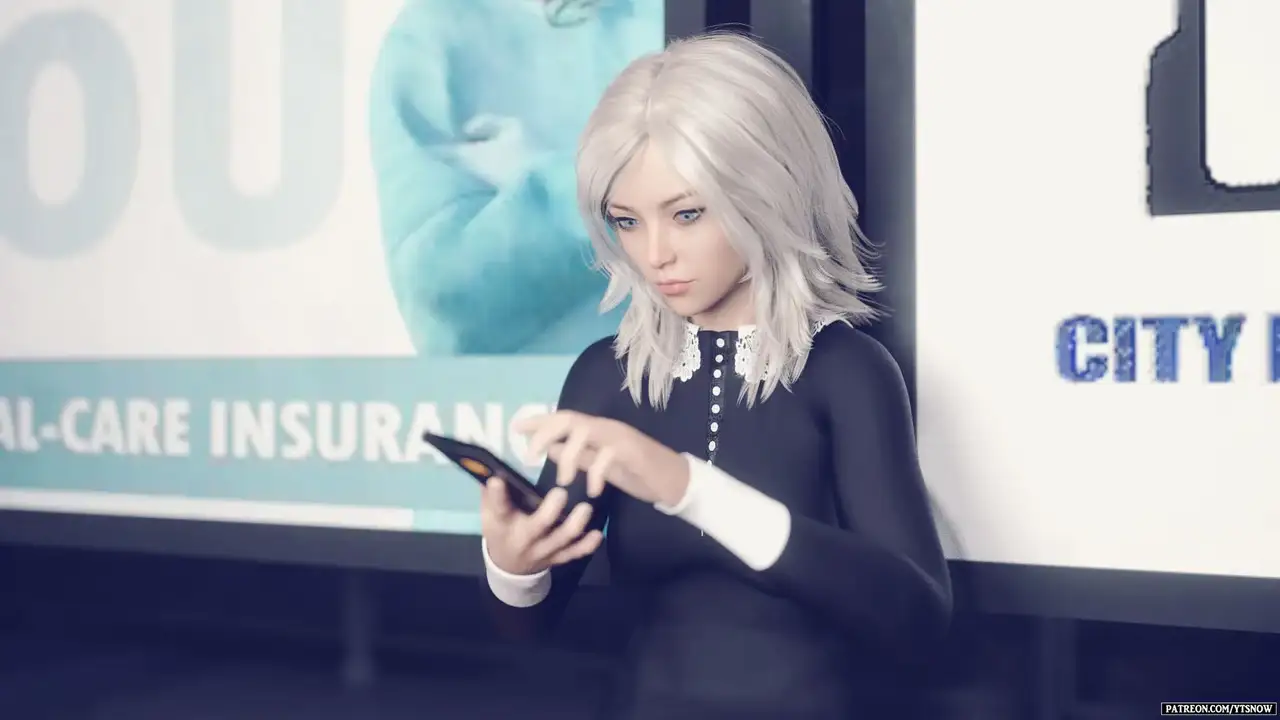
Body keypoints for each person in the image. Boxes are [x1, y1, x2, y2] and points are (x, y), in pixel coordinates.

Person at [479, 32, 953, 719]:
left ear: (766, 191)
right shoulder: (608, 378)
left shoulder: (845, 372)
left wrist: (687, 487)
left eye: (687, 213)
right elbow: (531, 627)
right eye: (626, 222)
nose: (655, 254)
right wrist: (513, 566)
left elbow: (916, 618)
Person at [368, 0, 664, 355]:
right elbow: (446, 306)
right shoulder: (433, 36)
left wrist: (542, 183)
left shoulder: (700, 21)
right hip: (530, 388)